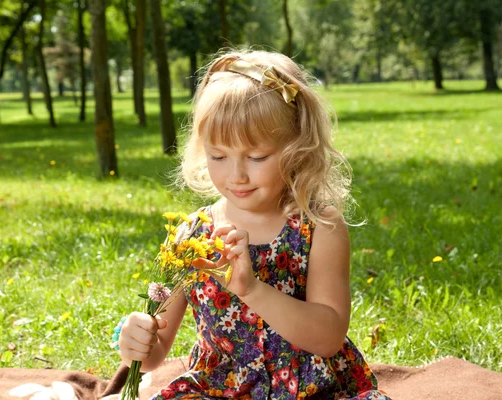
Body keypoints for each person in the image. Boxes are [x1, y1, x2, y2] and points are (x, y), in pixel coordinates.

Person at [117, 50, 392, 399]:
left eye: (257, 156)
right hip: (219, 391)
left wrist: (252, 290)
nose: (237, 175)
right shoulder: (191, 236)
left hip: (308, 391)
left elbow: (328, 338)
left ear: (298, 148)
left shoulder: (317, 226)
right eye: (218, 156)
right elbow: (155, 353)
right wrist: (135, 340)